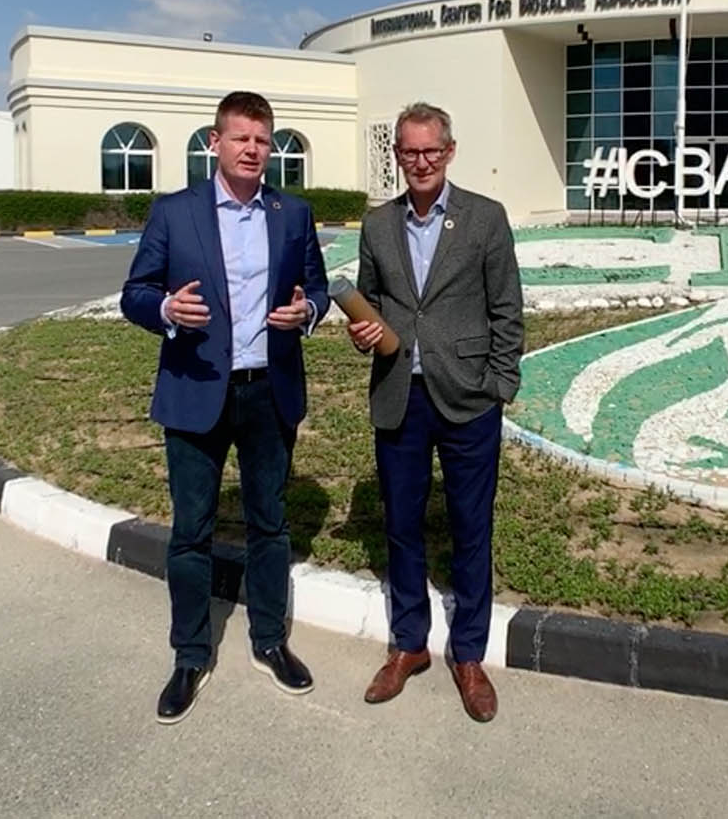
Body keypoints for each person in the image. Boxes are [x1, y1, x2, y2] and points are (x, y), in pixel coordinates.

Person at [121, 90, 328, 725]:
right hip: (196, 389)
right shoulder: (175, 212)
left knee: (270, 523)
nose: (252, 150)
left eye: (263, 140)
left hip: (269, 390)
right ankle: (190, 655)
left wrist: (307, 312)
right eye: (240, 138)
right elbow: (134, 292)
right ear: (215, 143)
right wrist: (165, 309)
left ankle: (269, 640)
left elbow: (317, 288)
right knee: (192, 531)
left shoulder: (292, 214)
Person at [347, 101, 524, 723]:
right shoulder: (377, 225)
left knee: (471, 526)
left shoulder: (485, 217)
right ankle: (409, 645)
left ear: (449, 152)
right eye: (409, 151)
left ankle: (469, 655)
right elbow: (371, 303)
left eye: (430, 151)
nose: (420, 162)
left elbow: (507, 308)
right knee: (401, 525)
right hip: (401, 393)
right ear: (397, 154)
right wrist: (363, 333)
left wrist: (500, 384)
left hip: (469, 397)